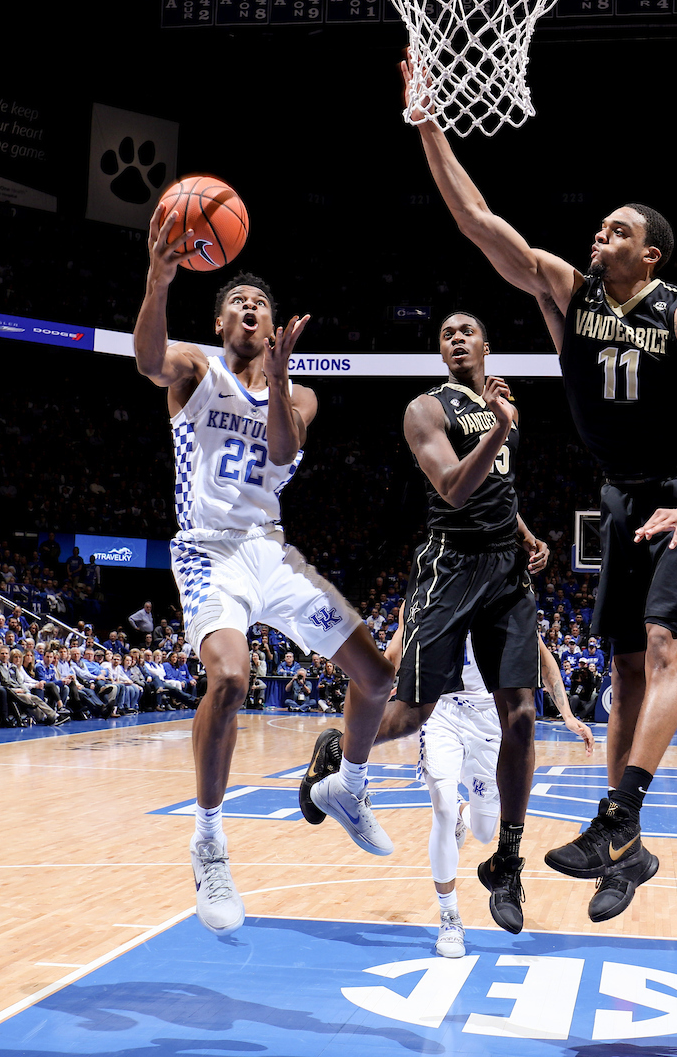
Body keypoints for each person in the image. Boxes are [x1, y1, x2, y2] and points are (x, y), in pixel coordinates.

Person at [402, 62, 677, 923]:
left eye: (616, 230)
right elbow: (479, 222)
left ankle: (619, 817)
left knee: (665, 649)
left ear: (649, 253)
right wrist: (428, 122)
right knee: (624, 671)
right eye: (600, 226)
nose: (599, 235)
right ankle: (624, 846)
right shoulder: (569, 294)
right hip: (623, 496)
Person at [133, 202, 396, 937]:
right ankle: (209, 840)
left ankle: (349, 782)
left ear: (275, 327)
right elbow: (148, 360)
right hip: (208, 549)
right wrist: (159, 281)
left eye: (261, 304)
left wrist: (278, 379)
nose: (250, 307)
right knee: (230, 677)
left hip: (271, 552)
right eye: (237, 302)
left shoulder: (299, 392)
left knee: (376, 678)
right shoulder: (194, 369)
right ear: (220, 323)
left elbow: (282, 452)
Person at [300, 311, 548, 934]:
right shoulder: (424, 410)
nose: (458, 337)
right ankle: (338, 749)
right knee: (411, 712)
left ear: (488, 345)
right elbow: (454, 489)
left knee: (520, 712)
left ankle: (509, 860)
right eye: (447, 333)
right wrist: (498, 429)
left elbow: (499, 488)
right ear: (441, 352)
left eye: (468, 329)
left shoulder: (499, 406)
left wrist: (522, 532)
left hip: (505, 571)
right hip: (450, 567)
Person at [385, 605, 594, 957]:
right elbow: (393, 652)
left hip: (490, 720)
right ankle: (450, 918)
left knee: (483, 831)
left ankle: (465, 815)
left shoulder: (504, 591)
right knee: (442, 807)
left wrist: (569, 716)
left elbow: (543, 660)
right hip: (442, 712)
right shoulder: (433, 585)